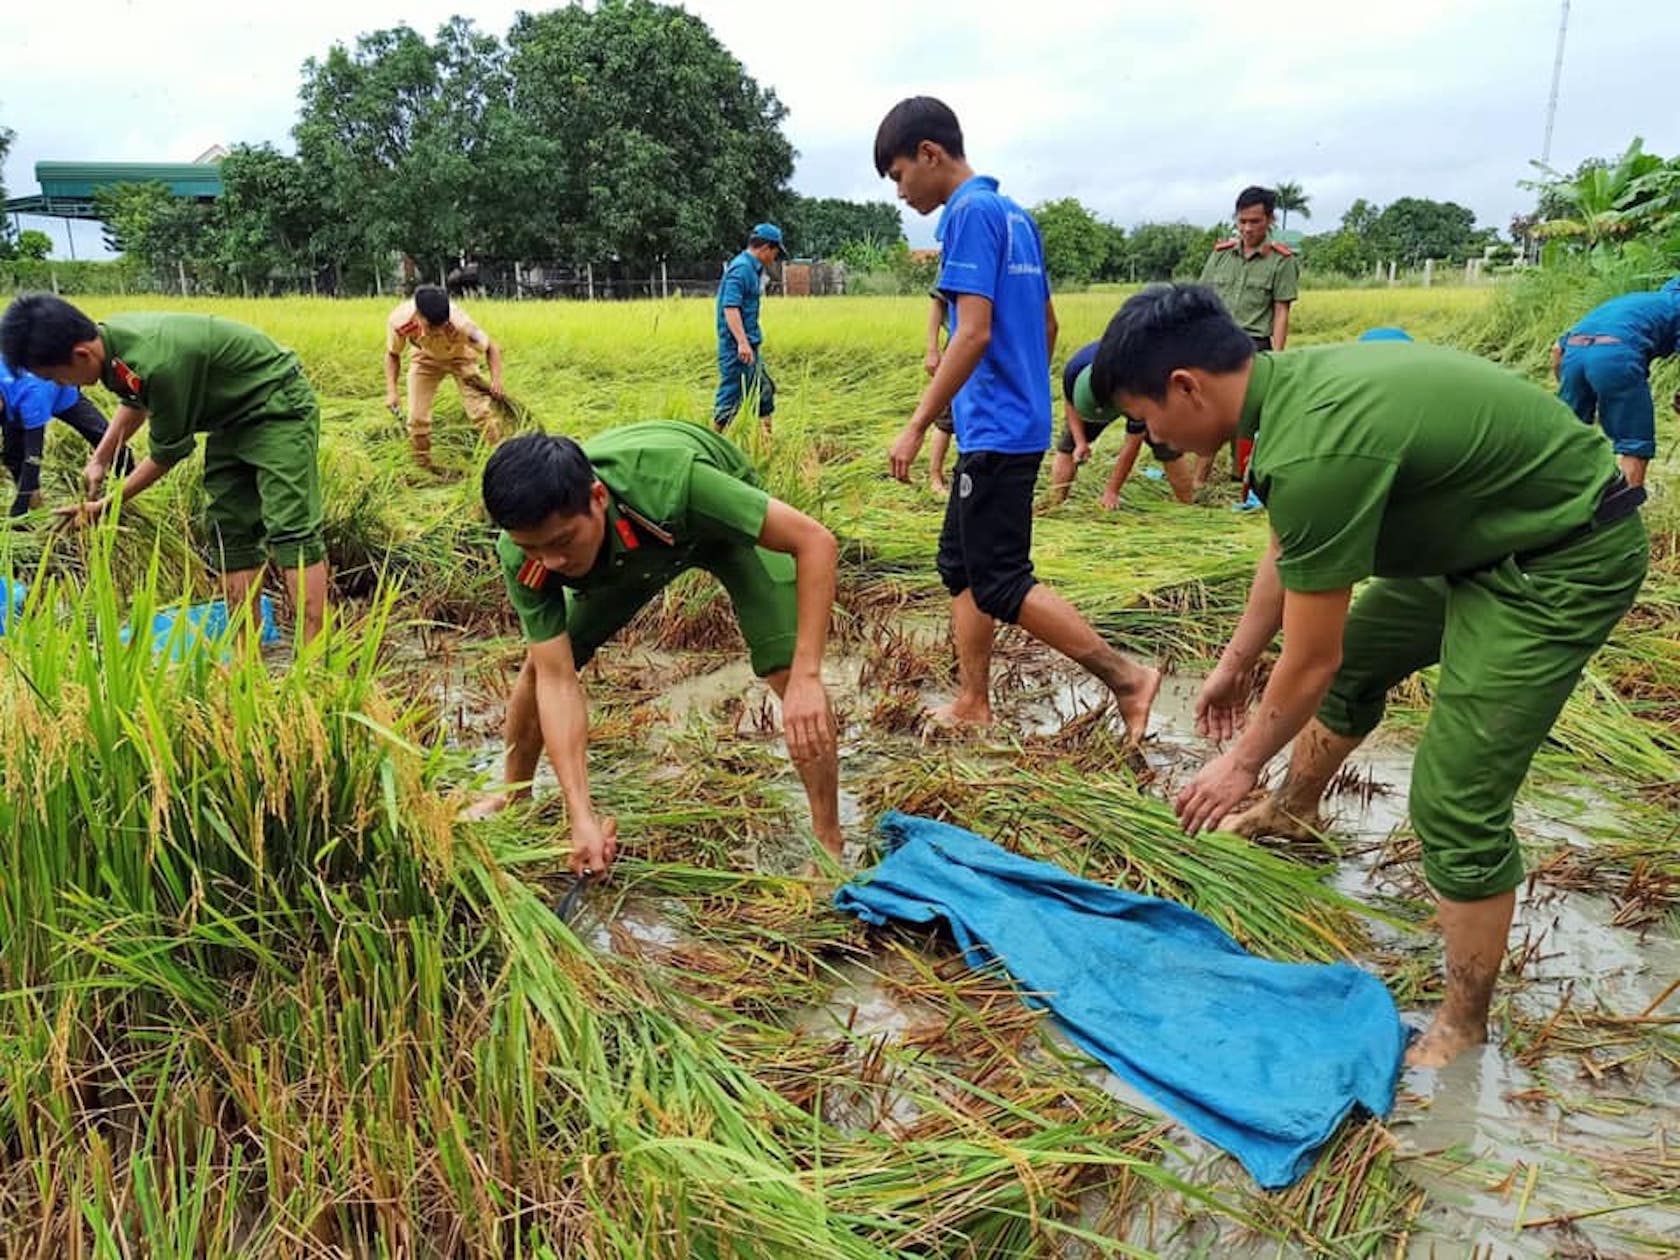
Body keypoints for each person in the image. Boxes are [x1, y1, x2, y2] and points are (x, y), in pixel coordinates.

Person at [1092, 284, 1647, 1068]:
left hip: (1563, 553)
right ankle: (1295, 813)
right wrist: (1232, 666)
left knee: (1456, 798)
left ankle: (1462, 1025)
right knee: (1359, 663)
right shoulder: (1285, 398)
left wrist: (1239, 763)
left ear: (1187, 386)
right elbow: (1288, 551)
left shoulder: (1314, 443)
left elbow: (1310, 659)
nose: (1151, 438)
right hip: (1484, 530)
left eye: (1145, 419)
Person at [875, 96, 1159, 739]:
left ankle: (1128, 679)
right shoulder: (1013, 214)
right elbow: (1048, 322)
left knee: (1001, 581)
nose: (900, 193)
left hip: (998, 431)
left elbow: (970, 333)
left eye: (898, 176)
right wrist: (1027, 384)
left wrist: (919, 423)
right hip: (1008, 423)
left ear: (929, 154)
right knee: (960, 565)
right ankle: (974, 701)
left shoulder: (968, 215)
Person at [471, 423, 843, 875]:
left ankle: (828, 840)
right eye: (531, 548)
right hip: (633, 550)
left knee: (786, 669)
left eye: (562, 541)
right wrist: (581, 816)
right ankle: (515, 798)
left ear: (598, 499)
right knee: (539, 668)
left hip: (718, 527)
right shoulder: (524, 554)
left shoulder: (678, 483)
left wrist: (806, 676)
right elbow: (556, 678)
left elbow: (815, 542)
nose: (550, 563)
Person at [0, 294, 331, 641]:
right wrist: (100, 457)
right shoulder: (113, 347)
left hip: (276, 405)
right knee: (227, 530)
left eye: (55, 376)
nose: (59, 386)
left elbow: (166, 454)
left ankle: (314, 656)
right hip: (229, 417)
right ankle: (247, 650)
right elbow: (135, 400)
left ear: (81, 354)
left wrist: (106, 505)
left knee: (290, 526)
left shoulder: (157, 362)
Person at [1195, 186, 1299, 493]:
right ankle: (1198, 482)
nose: (1247, 228)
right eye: (1242, 221)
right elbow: (1202, 300)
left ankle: (1242, 480)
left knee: (1245, 417)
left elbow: (1281, 312)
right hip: (1216, 342)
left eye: (1254, 221)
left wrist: (1278, 358)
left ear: (1269, 220)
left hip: (1253, 345)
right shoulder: (1221, 255)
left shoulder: (1282, 261)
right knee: (1211, 411)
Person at [1551, 276, 1680, 490]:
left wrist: (1568, 386)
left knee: (1568, 438)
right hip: (1617, 355)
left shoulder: (1640, 301)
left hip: (1573, 353)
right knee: (1634, 445)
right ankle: (1623, 516)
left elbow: (1556, 350)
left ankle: (1558, 499)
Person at [1047, 340, 1193, 508]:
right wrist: (1080, 442)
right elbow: (1071, 404)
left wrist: (1112, 491)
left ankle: (1188, 507)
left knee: (1167, 449)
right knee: (1068, 446)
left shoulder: (1138, 390)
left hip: (1147, 392)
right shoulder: (1074, 370)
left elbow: (1132, 444)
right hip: (1108, 387)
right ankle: (1055, 503)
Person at [385, 284, 506, 469]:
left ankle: (503, 460)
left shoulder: (461, 323)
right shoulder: (399, 322)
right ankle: (423, 468)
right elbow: (392, 354)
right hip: (424, 360)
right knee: (416, 419)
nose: (436, 332)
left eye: (440, 326)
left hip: (461, 358)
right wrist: (392, 391)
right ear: (417, 315)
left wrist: (496, 380)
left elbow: (491, 348)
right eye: (430, 326)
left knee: (481, 413)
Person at [0, 356, 130, 517]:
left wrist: (18, 509)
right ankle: (35, 504)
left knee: (105, 438)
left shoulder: (32, 396)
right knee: (12, 456)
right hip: (15, 402)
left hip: (62, 396)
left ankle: (129, 480)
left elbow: (33, 457)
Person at [714, 224, 788, 433]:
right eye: (775, 252)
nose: (774, 258)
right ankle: (710, 445)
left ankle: (766, 446)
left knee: (764, 393)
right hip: (737, 349)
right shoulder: (742, 269)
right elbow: (730, 308)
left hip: (749, 346)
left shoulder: (752, 269)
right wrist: (742, 342)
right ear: (765, 247)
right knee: (729, 400)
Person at [924, 288, 957, 495]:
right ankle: (934, 475)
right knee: (947, 414)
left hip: (995, 346)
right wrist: (932, 349)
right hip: (961, 343)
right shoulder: (958, 257)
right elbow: (938, 302)